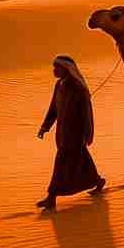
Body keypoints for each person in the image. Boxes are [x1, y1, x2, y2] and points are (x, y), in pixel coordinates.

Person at [37, 55, 105, 210]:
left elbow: (87, 113)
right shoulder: (59, 85)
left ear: (66, 69)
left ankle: (51, 196)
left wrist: (87, 134)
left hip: (75, 134)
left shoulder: (78, 88)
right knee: (83, 160)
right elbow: (53, 108)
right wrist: (45, 127)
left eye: (57, 68)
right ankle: (97, 180)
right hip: (62, 132)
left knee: (60, 162)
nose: (54, 71)